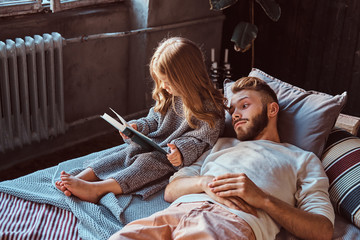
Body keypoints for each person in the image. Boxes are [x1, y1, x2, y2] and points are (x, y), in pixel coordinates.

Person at [109, 77, 335, 240]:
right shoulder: (219, 143)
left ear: (272, 109)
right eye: (232, 109)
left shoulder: (302, 159)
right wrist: (203, 183)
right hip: (173, 214)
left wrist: (263, 199)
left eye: (245, 105)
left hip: (229, 224)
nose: (235, 114)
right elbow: (171, 191)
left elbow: (323, 230)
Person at [55, 37, 226, 203]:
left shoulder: (210, 107)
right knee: (125, 152)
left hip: (170, 156)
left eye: (167, 82)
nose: (164, 86)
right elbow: (154, 119)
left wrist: (181, 153)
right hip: (154, 143)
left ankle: (98, 189)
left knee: (145, 163)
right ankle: (83, 177)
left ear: (186, 78)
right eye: (161, 81)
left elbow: (201, 140)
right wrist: (138, 127)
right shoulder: (170, 96)